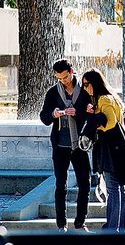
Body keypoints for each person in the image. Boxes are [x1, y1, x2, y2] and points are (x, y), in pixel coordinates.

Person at [39, 58, 91, 232]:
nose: (63, 81)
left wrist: (78, 113)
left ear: (71, 71)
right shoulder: (53, 92)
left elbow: (91, 114)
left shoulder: (84, 91)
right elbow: (44, 117)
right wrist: (55, 114)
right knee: (61, 185)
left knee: (85, 183)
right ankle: (61, 224)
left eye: (65, 77)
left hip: (79, 145)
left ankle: (80, 222)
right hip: (60, 145)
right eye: (59, 78)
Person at [81, 68, 125, 232]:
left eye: (86, 84)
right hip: (120, 147)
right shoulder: (114, 98)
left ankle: (111, 229)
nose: (84, 88)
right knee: (120, 189)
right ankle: (120, 228)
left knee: (113, 189)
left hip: (109, 149)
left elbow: (109, 123)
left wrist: (93, 115)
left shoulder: (103, 99)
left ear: (94, 83)